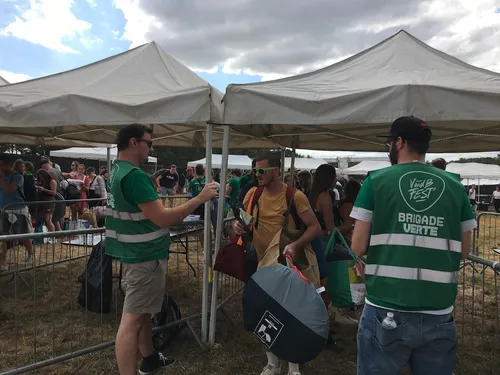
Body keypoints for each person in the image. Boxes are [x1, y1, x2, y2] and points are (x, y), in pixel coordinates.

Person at [350, 116, 476, 375]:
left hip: (386, 306)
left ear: (399, 142)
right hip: (439, 311)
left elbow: (358, 245)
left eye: (389, 143)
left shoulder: (375, 182)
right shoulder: (455, 186)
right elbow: (465, 250)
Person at [105, 124, 217, 375]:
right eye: (149, 143)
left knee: (142, 312)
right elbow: (164, 219)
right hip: (145, 256)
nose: (150, 148)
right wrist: (200, 198)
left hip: (134, 253)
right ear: (134, 142)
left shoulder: (117, 171)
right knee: (131, 321)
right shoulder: (135, 176)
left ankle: (149, 358)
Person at [233, 152, 321, 375]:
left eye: (262, 170)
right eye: (255, 170)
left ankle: (293, 367)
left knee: (290, 313)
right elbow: (244, 221)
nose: (257, 174)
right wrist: (237, 226)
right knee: (265, 314)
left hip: (286, 265)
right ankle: (272, 363)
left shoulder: (295, 196)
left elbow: (315, 227)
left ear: (276, 171)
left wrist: (295, 245)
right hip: (262, 263)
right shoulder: (253, 194)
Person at [0, 153, 34, 271]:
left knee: (22, 235)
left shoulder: (18, 177)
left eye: (1, 165)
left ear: (8, 165)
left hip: (18, 209)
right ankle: (2, 262)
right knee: (2, 237)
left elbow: (9, 189)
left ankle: (31, 255)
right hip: (3, 210)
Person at [35, 169, 57, 233]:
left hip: (49, 202)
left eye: (41, 176)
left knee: (48, 220)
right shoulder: (40, 181)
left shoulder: (52, 181)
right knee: (42, 219)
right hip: (41, 201)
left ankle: (52, 236)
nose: (40, 178)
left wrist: (44, 189)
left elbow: (53, 192)